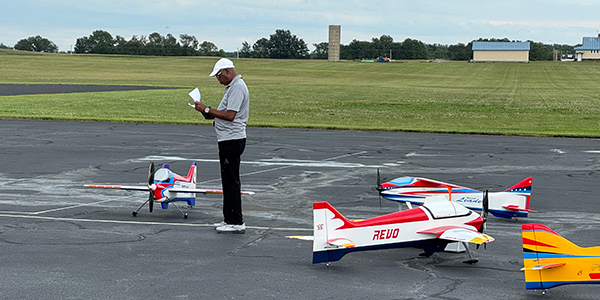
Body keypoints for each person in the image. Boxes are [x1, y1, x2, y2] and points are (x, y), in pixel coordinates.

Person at [194, 58, 249, 234]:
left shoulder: (238, 87)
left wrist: (208, 109)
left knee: (231, 181)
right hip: (227, 138)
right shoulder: (232, 87)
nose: (218, 80)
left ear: (226, 71)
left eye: (218, 76)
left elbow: (230, 115)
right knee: (228, 180)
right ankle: (229, 219)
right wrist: (206, 112)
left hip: (232, 139)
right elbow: (222, 113)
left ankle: (235, 221)